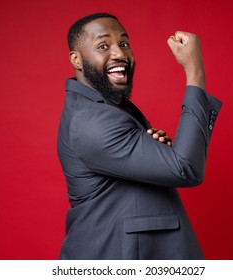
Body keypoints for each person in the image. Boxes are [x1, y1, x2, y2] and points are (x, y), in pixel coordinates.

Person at [57, 13, 221, 259]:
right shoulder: (92, 119)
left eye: (123, 44)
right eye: (103, 46)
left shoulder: (104, 108)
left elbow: (171, 165)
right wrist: (195, 71)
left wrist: (156, 153)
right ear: (77, 60)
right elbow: (186, 168)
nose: (120, 54)